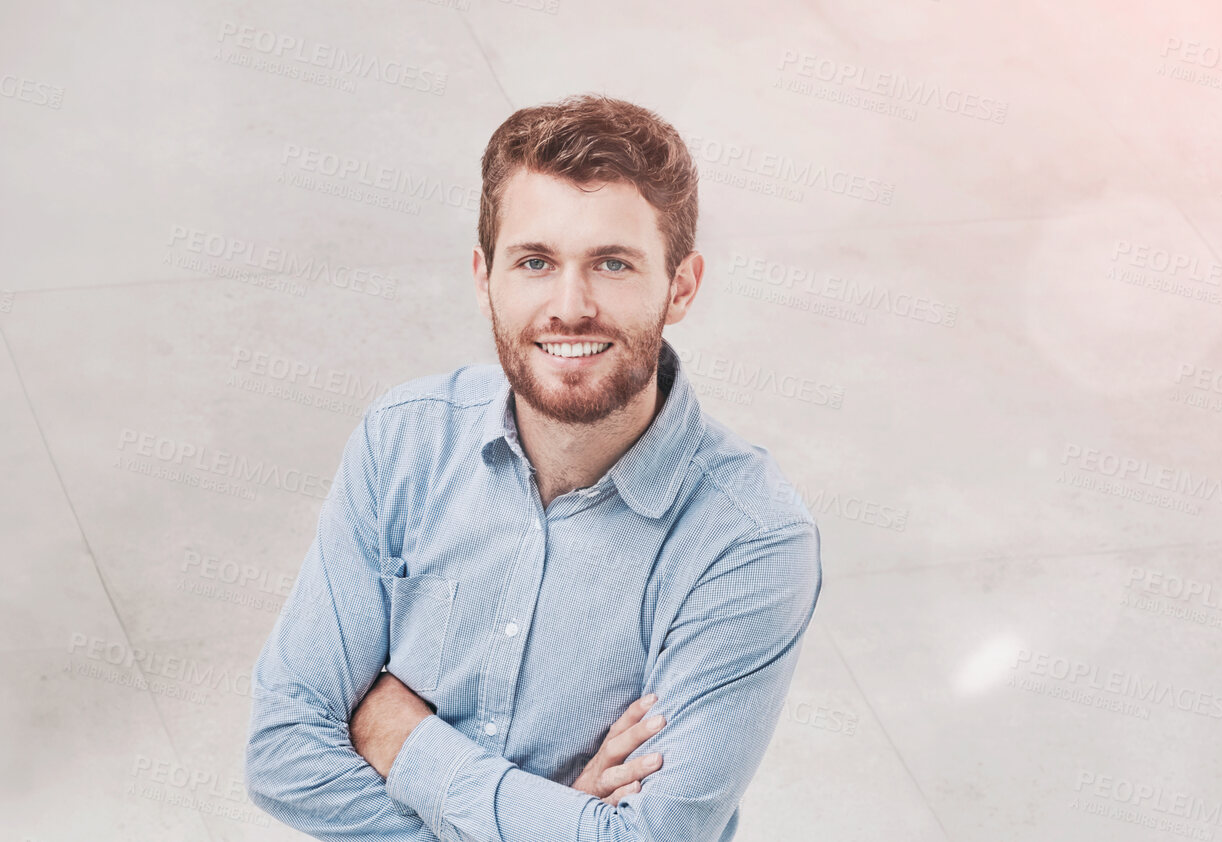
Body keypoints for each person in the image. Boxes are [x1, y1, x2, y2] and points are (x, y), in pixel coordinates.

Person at [244, 93, 823, 842]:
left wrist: (402, 737)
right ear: (485, 277)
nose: (570, 305)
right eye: (536, 261)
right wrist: (555, 816)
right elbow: (282, 755)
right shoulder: (404, 441)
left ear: (680, 285)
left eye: (613, 263)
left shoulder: (750, 540)